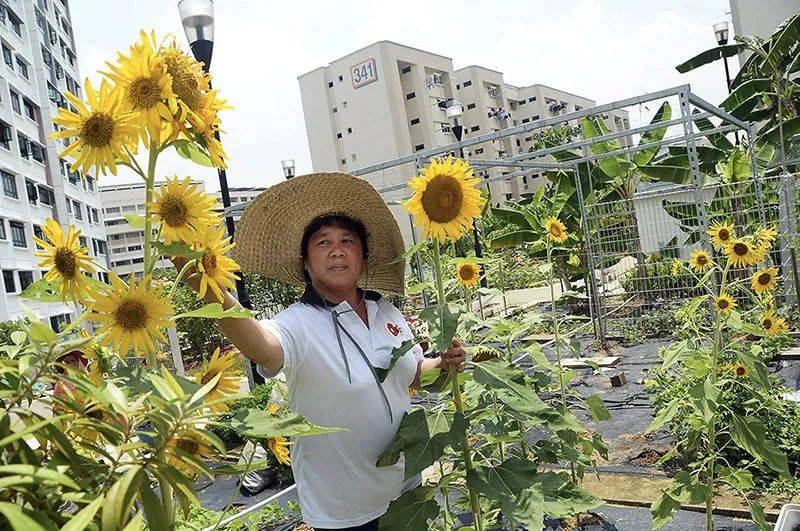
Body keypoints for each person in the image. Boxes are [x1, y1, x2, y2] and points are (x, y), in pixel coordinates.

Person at [175, 172, 466, 531]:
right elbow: (261, 347)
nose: (337, 250)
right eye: (322, 242)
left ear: (363, 256)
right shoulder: (298, 323)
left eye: (347, 240)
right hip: (344, 510)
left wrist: (444, 363)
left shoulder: (386, 313)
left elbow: (414, 375)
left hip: (407, 493)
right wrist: (209, 288)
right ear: (306, 263)